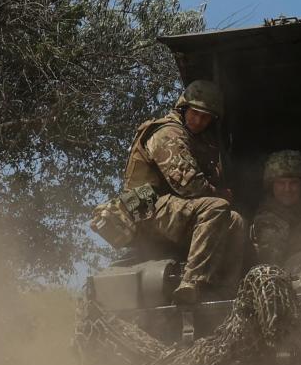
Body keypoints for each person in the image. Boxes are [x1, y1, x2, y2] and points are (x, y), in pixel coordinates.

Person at [96, 79, 245, 305]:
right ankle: (191, 283)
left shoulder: (198, 141)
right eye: (195, 113)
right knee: (217, 207)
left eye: (206, 117)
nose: (199, 120)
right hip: (147, 210)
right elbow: (188, 185)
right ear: (183, 107)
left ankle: (226, 292)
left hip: (169, 209)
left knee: (235, 221)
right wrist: (219, 193)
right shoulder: (167, 132)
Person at [251, 150, 301, 292]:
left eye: (293, 183)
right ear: (272, 186)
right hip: (273, 287)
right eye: (281, 183)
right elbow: (269, 266)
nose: (287, 189)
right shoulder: (266, 219)